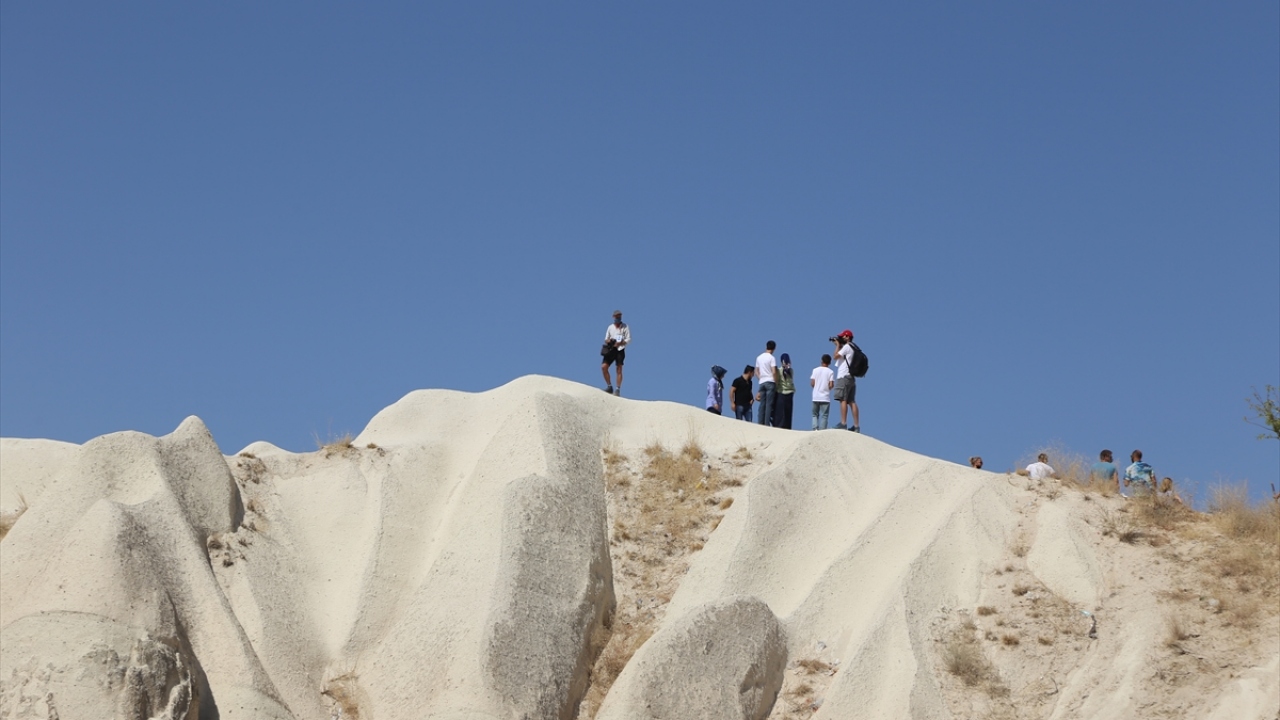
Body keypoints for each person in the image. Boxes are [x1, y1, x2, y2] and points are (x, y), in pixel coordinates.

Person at [831, 330, 860, 432]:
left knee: (843, 399)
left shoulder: (847, 347)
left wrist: (837, 345)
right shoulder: (854, 347)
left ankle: (843, 423)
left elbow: (835, 357)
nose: (842, 338)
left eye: (843, 337)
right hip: (851, 377)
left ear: (847, 337)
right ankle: (856, 426)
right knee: (851, 401)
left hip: (844, 376)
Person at [601, 310, 630, 396]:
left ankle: (617, 389)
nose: (618, 318)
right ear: (613, 317)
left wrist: (621, 342)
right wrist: (610, 341)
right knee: (604, 367)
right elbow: (606, 338)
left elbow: (629, 339)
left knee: (619, 369)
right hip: (611, 349)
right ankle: (609, 386)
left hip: (620, 349)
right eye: (616, 316)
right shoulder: (610, 327)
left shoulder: (625, 327)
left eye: (619, 316)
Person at [755, 341, 778, 426]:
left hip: (762, 382)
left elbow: (756, 371)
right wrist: (776, 382)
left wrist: (760, 378)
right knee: (769, 404)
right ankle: (766, 423)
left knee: (762, 404)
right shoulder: (771, 358)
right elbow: (774, 371)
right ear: (774, 348)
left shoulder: (759, 357)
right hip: (770, 381)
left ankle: (760, 422)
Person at [810, 354, 834, 430]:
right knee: (824, 415)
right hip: (825, 396)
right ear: (830, 363)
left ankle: (815, 428)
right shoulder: (830, 372)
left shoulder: (815, 370)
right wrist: (827, 388)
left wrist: (817, 387)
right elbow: (831, 385)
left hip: (816, 396)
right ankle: (822, 429)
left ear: (821, 361)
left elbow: (812, 383)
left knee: (815, 414)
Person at [774, 353, 795, 429]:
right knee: (788, 411)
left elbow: (777, 381)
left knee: (780, 412)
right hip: (790, 393)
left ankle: (780, 426)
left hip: (781, 392)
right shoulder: (791, 371)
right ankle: (788, 427)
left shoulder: (779, 370)